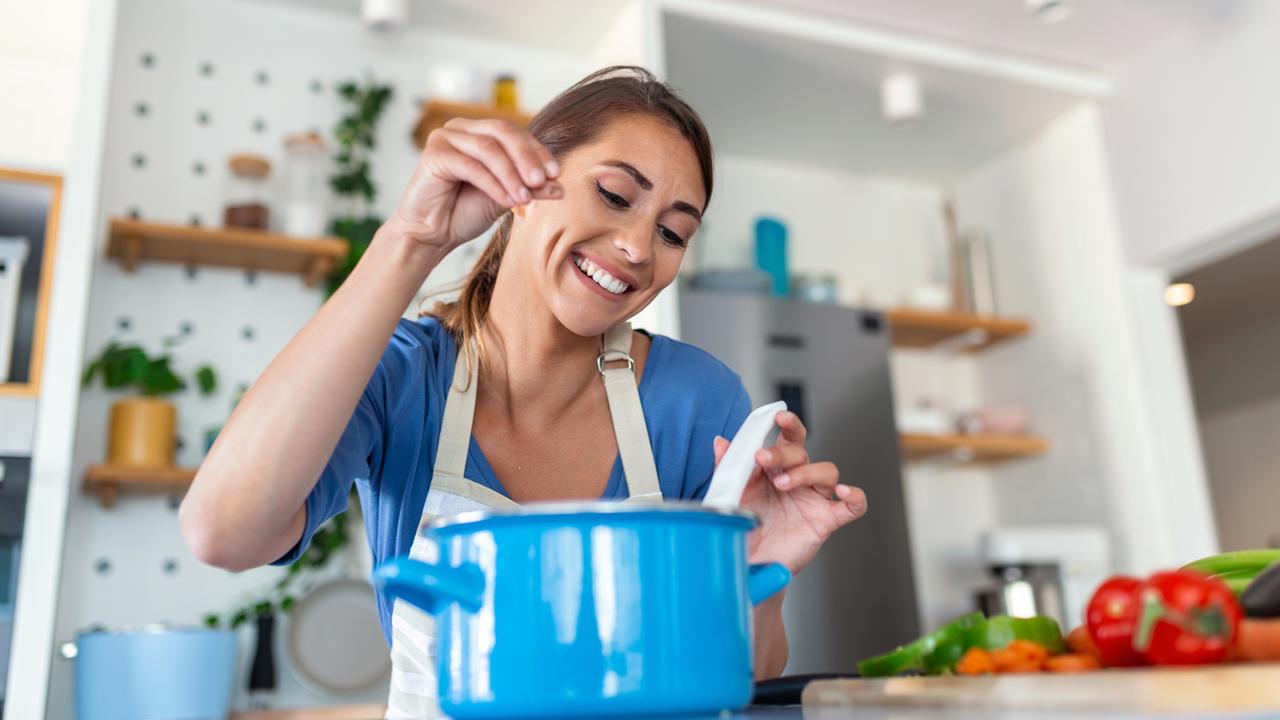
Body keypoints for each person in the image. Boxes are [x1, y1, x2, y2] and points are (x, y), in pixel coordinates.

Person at [180, 66, 868, 717]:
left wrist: (756, 574)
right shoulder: (403, 378)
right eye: (615, 195)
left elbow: (746, 678)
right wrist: (414, 237)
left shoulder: (698, 400)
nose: (636, 247)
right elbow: (222, 532)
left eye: (672, 231)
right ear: (524, 186)